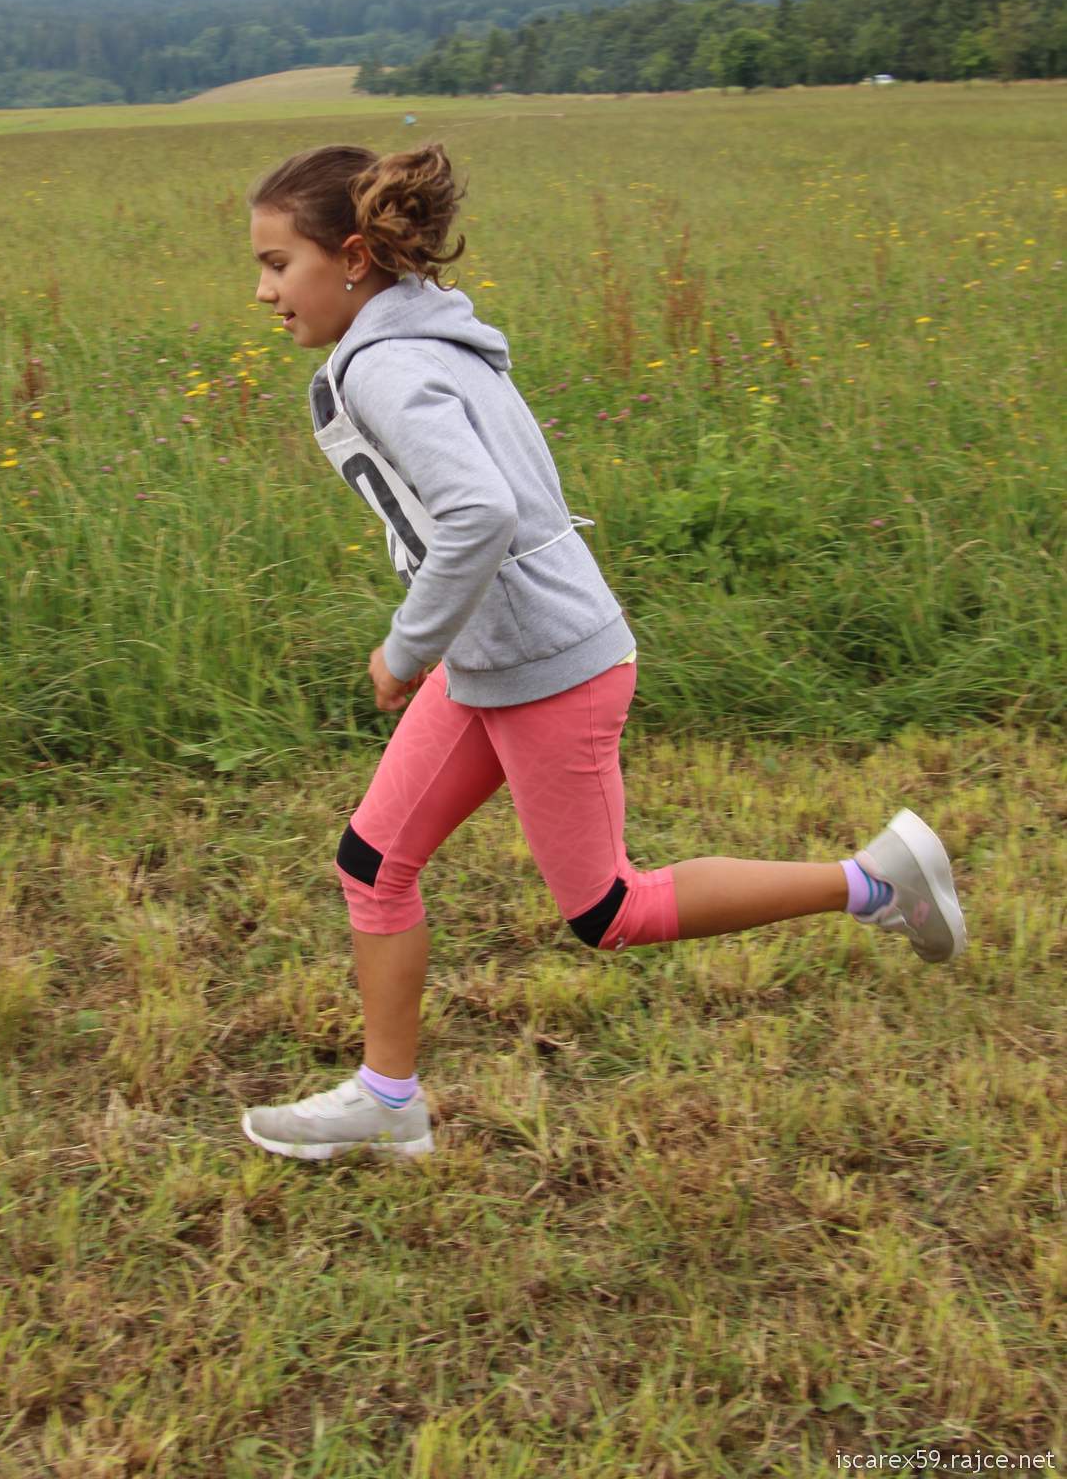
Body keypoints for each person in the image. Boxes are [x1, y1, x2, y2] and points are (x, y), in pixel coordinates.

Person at [239, 141, 968, 1162]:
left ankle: (876, 882)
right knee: (373, 860)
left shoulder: (387, 365)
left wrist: (407, 646)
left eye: (278, 264)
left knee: (609, 910)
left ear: (353, 257)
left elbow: (477, 511)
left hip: (546, 663)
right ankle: (387, 1100)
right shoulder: (421, 337)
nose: (264, 291)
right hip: (495, 658)